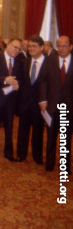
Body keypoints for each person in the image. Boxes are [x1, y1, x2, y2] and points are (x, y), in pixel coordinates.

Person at [39, 35, 73, 174]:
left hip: (69, 107)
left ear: (70, 47)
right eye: (59, 45)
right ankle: (49, 163)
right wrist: (42, 100)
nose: (61, 48)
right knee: (51, 136)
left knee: (66, 137)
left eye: (64, 46)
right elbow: (43, 81)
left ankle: (65, 165)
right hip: (51, 106)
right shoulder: (50, 60)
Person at [0, 38, 23, 162]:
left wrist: (18, 84)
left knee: (9, 127)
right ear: (8, 45)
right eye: (14, 47)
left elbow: (21, 79)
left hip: (11, 99)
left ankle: (9, 152)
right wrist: (4, 79)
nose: (16, 50)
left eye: (19, 48)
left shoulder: (19, 62)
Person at [17, 35, 46, 164]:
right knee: (22, 130)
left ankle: (37, 156)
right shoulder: (25, 62)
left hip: (40, 104)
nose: (31, 49)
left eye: (34, 46)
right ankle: (21, 154)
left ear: (41, 47)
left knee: (38, 131)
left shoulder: (49, 63)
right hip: (25, 103)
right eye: (29, 46)